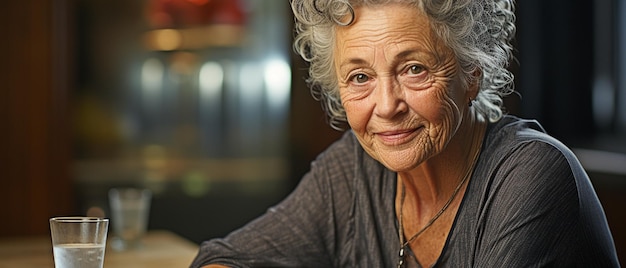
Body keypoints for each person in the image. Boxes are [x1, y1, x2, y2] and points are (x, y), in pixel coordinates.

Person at [191, 0, 621, 267]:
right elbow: (224, 258)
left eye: (414, 69)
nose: (386, 105)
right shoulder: (352, 171)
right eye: (359, 77)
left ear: (472, 72)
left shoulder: (533, 174)